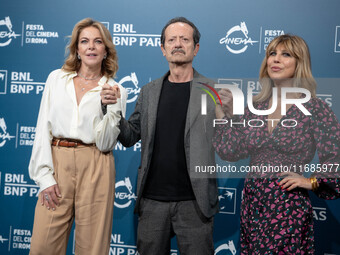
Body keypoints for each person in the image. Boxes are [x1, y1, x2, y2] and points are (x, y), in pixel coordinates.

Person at [214, 34, 340, 254]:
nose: (276, 59)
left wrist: (312, 182)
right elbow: (231, 151)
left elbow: (335, 156)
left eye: (285, 54)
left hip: (288, 207)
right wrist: (224, 116)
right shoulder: (256, 107)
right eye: (272, 54)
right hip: (253, 206)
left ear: (299, 63)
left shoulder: (315, 108)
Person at [101, 17, 218, 254]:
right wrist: (112, 110)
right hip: (152, 201)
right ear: (163, 49)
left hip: (195, 203)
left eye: (184, 39)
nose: (177, 44)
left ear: (195, 48)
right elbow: (129, 136)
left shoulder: (213, 91)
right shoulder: (149, 92)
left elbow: (229, 144)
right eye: (171, 40)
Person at [28, 18, 126, 255]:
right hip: (58, 161)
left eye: (97, 42)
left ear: (106, 51)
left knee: (92, 248)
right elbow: (42, 128)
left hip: (96, 164)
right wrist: (44, 177)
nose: (91, 46)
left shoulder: (116, 89)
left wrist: (109, 108)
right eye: (84, 42)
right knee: (43, 246)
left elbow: (105, 143)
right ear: (77, 50)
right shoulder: (56, 79)